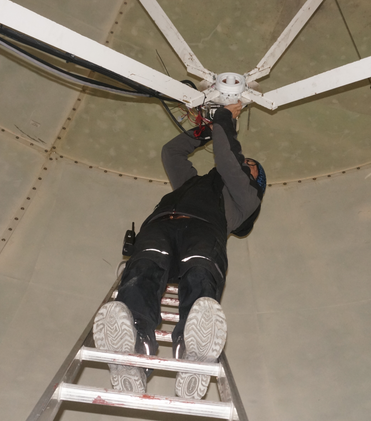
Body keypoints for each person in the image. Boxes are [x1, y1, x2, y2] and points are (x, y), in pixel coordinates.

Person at [92, 101, 266, 399]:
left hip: (203, 232)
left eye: (248, 164)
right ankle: (134, 347)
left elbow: (226, 160)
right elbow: (171, 152)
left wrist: (225, 118)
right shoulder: (192, 184)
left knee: (199, 278)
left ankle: (192, 353)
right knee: (140, 275)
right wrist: (207, 131)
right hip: (159, 227)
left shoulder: (246, 198)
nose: (242, 162)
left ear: (255, 180)